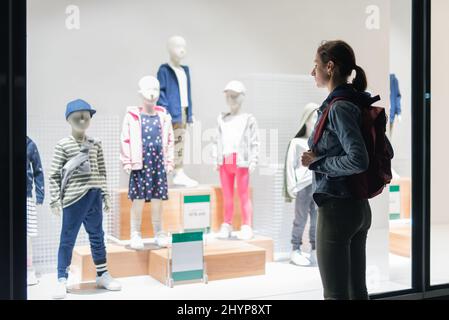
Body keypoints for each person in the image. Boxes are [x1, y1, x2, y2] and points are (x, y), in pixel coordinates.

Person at [302, 40, 375, 300]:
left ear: (329, 67)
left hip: (337, 210)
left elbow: (358, 160)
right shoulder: (354, 101)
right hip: (358, 208)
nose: (313, 72)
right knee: (357, 292)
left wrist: (317, 162)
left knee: (336, 295)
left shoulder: (340, 106)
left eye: (316, 65)